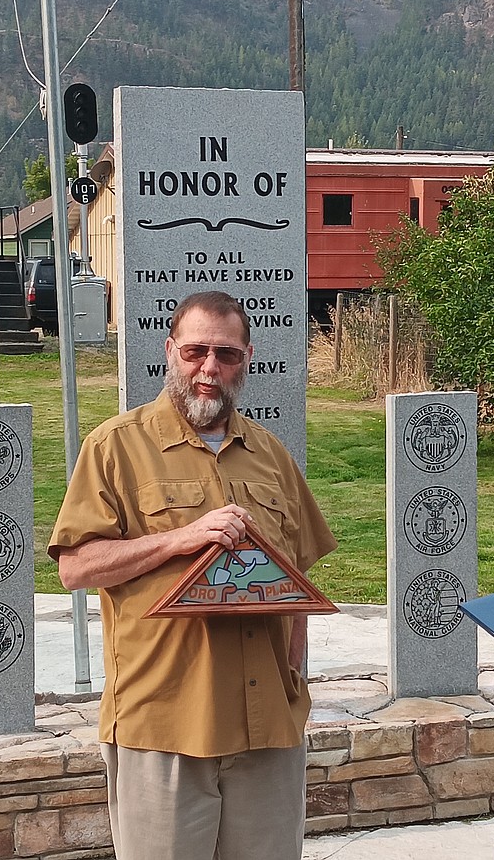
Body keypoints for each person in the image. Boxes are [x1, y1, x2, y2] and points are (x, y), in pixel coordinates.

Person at [49, 290, 336, 860]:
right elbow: (76, 566)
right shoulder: (115, 447)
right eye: (196, 351)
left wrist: (293, 683)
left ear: (247, 357)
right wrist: (180, 540)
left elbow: (296, 578)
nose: (210, 369)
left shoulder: (269, 453)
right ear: (169, 351)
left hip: (267, 730)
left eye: (227, 354)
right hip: (165, 724)